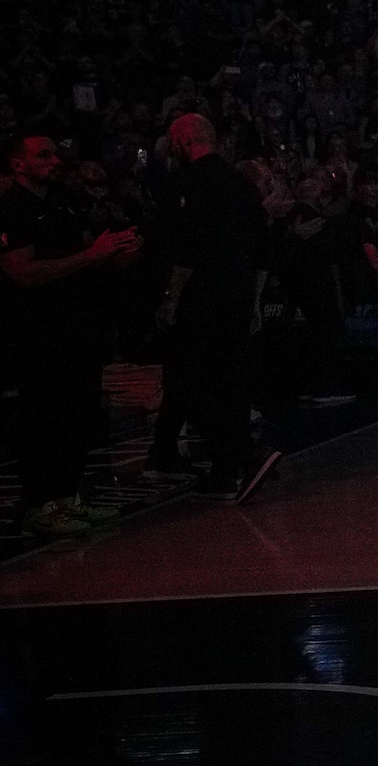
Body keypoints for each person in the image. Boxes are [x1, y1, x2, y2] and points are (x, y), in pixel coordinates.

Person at [2, 132, 141, 537]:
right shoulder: (11, 209)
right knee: (44, 417)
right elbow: (22, 273)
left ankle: (67, 497)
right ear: (18, 164)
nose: (54, 160)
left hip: (77, 328)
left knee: (76, 416)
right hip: (37, 334)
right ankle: (40, 503)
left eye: (54, 153)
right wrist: (91, 256)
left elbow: (82, 257)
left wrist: (115, 252)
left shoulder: (61, 203)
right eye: (41, 155)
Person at [153, 113, 278, 502]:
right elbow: (263, 248)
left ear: (185, 139)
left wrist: (170, 300)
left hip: (200, 298)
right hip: (237, 294)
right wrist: (254, 299)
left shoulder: (186, 182)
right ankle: (228, 469)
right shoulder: (240, 183)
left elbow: (185, 250)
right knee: (230, 381)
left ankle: (244, 453)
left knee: (190, 384)